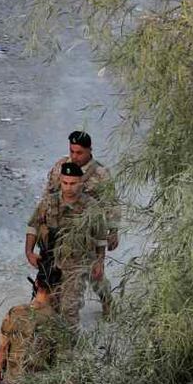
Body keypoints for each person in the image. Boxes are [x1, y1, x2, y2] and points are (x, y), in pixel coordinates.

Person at [44, 130, 118, 317]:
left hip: (88, 233)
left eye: (79, 152)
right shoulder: (61, 166)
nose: (75, 156)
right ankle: (59, 307)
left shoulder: (100, 174)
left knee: (95, 272)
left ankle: (106, 300)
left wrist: (113, 231)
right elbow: (49, 193)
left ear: (89, 150)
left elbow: (110, 203)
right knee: (58, 270)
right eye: (72, 151)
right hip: (62, 230)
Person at [26, 162, 108, 326]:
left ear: (81, 183)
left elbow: (100, 237)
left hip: (78, 263)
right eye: (65, 183)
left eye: (73, 183)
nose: (68, 187)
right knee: (49, 304)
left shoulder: (91, 207)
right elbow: (33, 226)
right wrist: (29, 251)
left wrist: (99, 261)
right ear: (60, 181)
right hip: (51, 261)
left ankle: (71, 341)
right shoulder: (48, 203)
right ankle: (53, 338)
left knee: (69, 308)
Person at [0, 270, 60, 384]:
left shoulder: (15, 313)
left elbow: (3, 349)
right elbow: (59, 361)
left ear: (36, 283)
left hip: (14, 381)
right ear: (57, 288)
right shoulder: (56, 321)